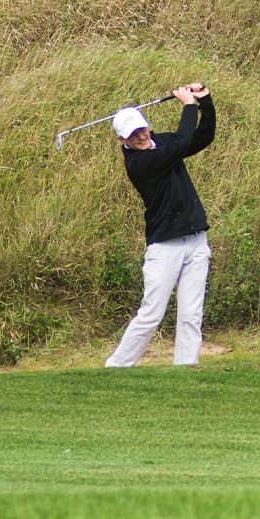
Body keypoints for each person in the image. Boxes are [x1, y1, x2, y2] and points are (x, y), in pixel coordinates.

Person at [104, 82, 216, 368]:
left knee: (192, 313)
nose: (141, 136)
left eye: (142, 129)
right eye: (132, 135)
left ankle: (186, 368)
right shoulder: (139, 164)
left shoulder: (161, 142)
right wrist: (188, 106)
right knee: (152, 313)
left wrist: (205, 103)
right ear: (121, 140)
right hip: (165, 246)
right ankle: (116, 367)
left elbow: (201, 138)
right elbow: (180, 142)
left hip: (195, 240)